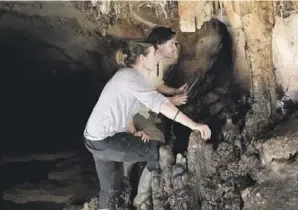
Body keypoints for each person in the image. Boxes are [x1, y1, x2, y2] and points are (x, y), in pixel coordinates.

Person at [83, 40, 211, 210]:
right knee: (158, 153)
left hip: (96, 137)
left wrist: (132, 132)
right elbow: (163, 106)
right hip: (104, 139)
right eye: (153, 54)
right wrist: (194, 125)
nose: (157, 57)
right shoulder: (132, 78)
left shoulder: (125, 75)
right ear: (142, 59)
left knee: (111, 190)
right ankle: (142, 202)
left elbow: (123, 110)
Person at [124, 26, 189, 210]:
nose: (175, 48)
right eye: (172, 44)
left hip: (144, 112)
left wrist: (174, 91)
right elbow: (144, 94)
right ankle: (140, 199)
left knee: (153, 144)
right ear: (159, 45)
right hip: (132, 112)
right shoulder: (144, 64)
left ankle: (130, 187)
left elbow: (157, 84)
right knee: (158, 142)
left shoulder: (158, 63)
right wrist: (170, 101)